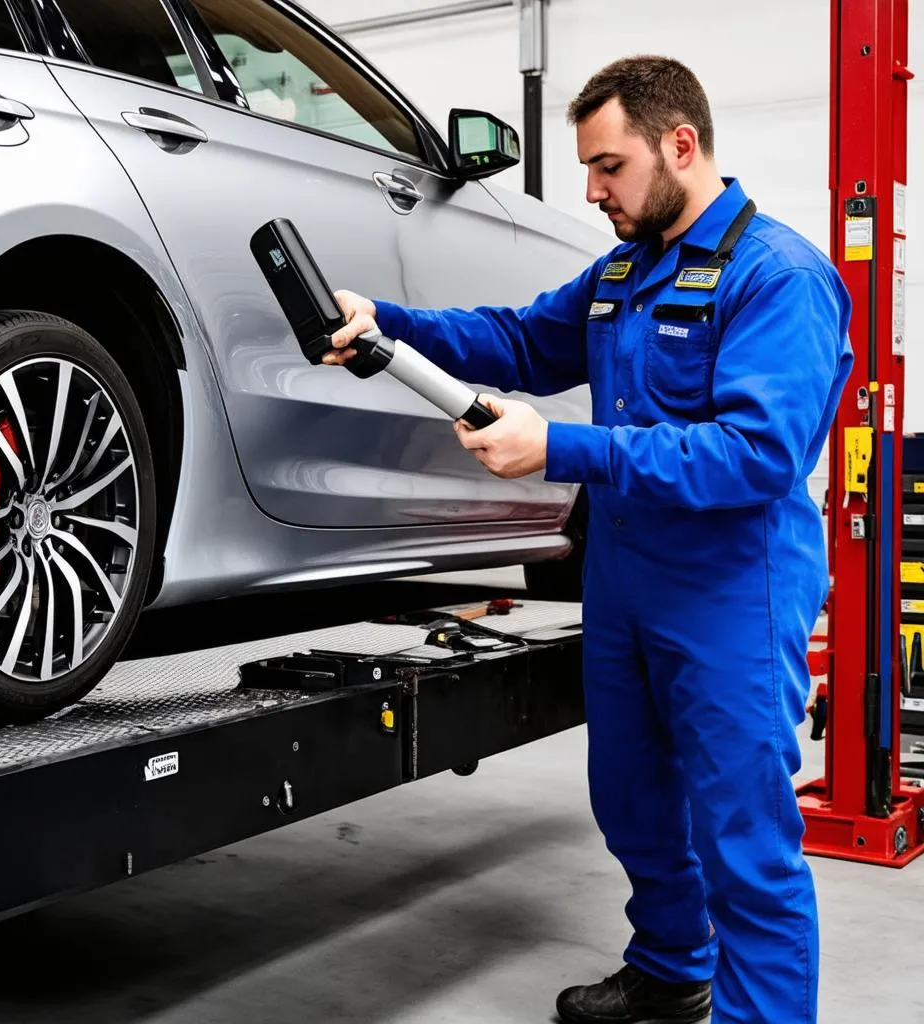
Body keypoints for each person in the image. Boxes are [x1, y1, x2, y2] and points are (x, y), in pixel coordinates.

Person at [326, 55, 852, 1024]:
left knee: (743, 837)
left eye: (607, 166)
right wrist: (385, 323)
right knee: (634, 803)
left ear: (679, 144)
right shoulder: (624, 270)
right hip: (624, 585)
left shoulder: (778, 276)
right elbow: (520, 340)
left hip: (732, 592)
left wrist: (557, 445)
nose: (590, 189)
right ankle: (669, 967)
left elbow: (754, 455)